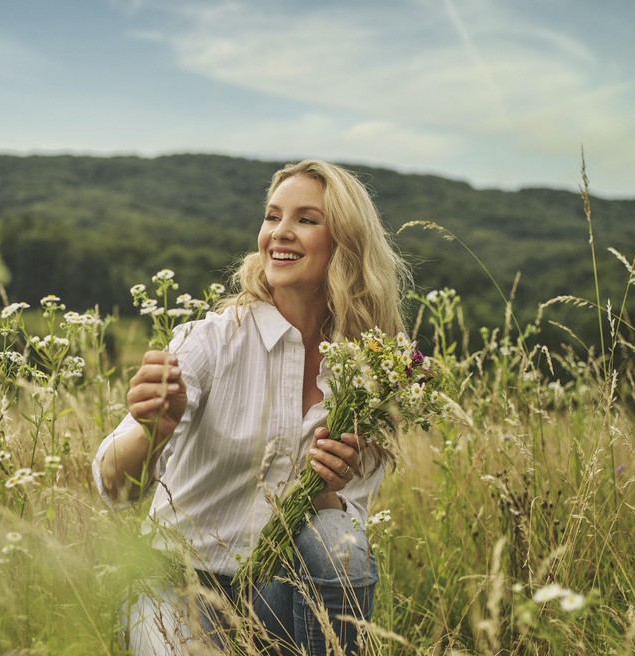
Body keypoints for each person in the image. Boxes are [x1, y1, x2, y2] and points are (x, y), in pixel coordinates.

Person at [92, 159, 411, 655]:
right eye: (272, 216)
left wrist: (327, 492)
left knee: (341, 546)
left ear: (345, 244)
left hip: (277, 595)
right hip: (176, 586)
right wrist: (153, 430)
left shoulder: (368, 372)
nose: (279, 234)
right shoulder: (212, 341)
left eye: (306, 220)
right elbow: (113, 486)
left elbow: (345, 548)